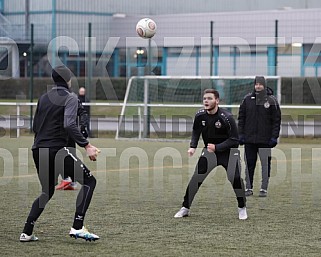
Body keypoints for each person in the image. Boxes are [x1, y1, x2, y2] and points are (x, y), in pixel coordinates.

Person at [20, 65, 100, 242]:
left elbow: (35, 127)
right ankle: (77, 227)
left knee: (46, 192)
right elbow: (69, 124)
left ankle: (26, 232)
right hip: (57, 150)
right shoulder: (70, 98)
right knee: (89, 181)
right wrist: (86, 145)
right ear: (68, 80)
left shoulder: (43, 98)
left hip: (37, 149)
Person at [174, 89, 247, 220]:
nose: (206, 101)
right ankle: (185, 208)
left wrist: (217, 147)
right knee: (196, 178)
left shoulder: (227, 117)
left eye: (209, 98)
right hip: (209, 151)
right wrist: (193, 146)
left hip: (229, 152)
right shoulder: (200, 115)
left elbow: (235, 140)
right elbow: (196, 131)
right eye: (204, 99)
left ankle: (242, 208)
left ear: (217, 101)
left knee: (235, 179)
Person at [238, 76, 281, 197]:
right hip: (249, 140)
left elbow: (276, 121)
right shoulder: (247, 99)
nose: (258, 86)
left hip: (265, 140)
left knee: (265, 164)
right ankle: (249, 187)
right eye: (256, 84)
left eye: (260, 84)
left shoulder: (271, 100)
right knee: (249, 164)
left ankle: (264, 188)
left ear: (264, 85)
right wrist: (241, 135)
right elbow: (241, 118)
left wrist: (274, 137)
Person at [56, 99, 89, 190]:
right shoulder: (56, 99)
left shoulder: (71, 99)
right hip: (59, 131)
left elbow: (83, 113)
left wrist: (82, 127)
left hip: (68, 131)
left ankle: (69, 179)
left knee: (67, 154)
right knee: (63, 154)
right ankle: (69, 180)